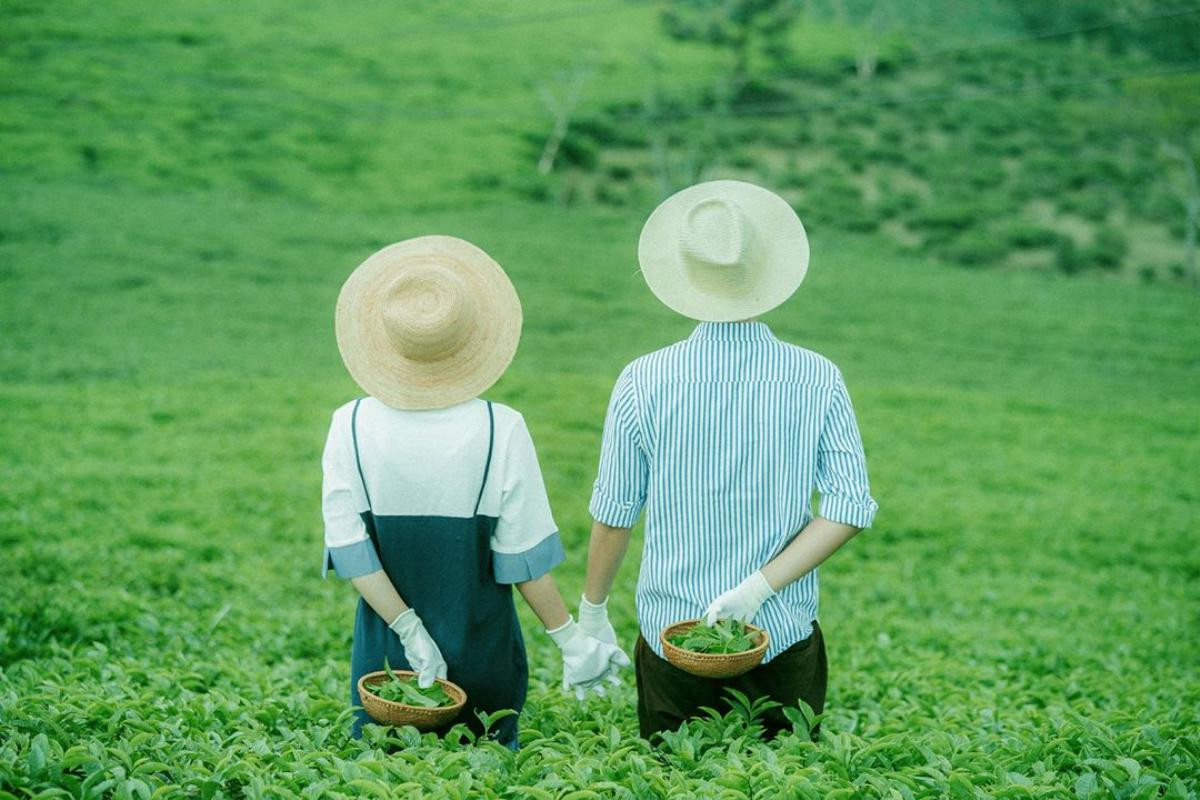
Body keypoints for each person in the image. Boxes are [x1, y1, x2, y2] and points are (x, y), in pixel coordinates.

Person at [575, 181, 879, 741]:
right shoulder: (817, 377)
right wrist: (759, 589)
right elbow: (849, 507)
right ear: (768, 272)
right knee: (784, 783)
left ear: (686, 277)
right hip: (783, 637)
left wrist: (592, 614)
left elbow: (615, 511)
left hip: (672, 640)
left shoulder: (643, 379)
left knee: (675, 784)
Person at [322, 235, 629, 748]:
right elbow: (522, 560)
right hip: (484, 662)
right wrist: (573, 642)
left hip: (386, 669)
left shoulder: (348, 425)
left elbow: (353, 555)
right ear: (469, 337)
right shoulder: (499, 427)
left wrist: (410, 631)